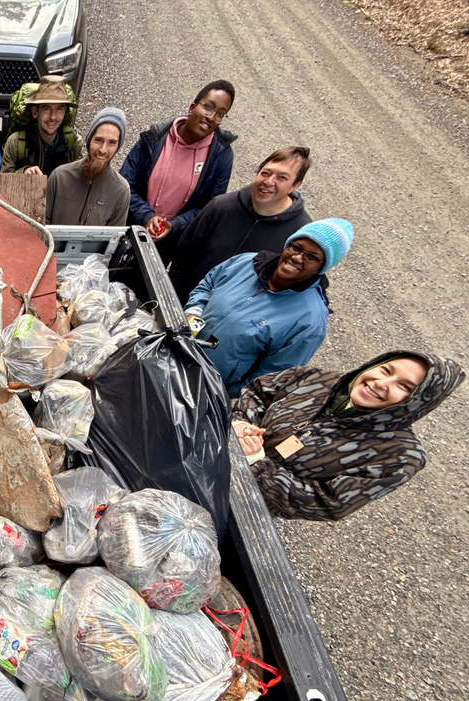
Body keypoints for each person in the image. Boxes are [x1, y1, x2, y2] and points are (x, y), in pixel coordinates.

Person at [231, 351, 464, 521]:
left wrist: (256, 463)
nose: (381, 383)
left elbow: (327, 504)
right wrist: (241, 422)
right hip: (210, 452)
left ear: (417, 403)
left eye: (404, 387)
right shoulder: (319, 379)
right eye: (386, 370)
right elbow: (258, 390)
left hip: (239, 504)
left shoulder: (398, 457)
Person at [186, 218, 353, 396]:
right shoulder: (247, 262)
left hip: (202, 387)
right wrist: (194, 311)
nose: (297, 258)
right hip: (173, 348)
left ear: (322, 268)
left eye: (311, 257)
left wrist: (222, 391)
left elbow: (271, 378)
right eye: (296, 247)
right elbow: (209, 283)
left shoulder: (310, 322)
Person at [169, 146, 313, 303]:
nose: (269, 182)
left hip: (233, 321)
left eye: (282, 178)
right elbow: (184, 251)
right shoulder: (221, 206)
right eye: (266, 173)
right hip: (186, 302)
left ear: (295, 185)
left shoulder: (300, 233)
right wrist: (173, 294)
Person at [120, 80, 237, 260]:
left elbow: (209, 207)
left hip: (169, 242)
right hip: (129, 228)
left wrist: (174, 225)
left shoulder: (221, 156)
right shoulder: (155, 138)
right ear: (192, 107)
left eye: (221, 114)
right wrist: (147, 216)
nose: (211, 117)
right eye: (208, 107)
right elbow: (125, 183)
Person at [45, 108, 129, 226]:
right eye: (98, 140)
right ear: (89, 140)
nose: (103, 150)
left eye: (111, 143)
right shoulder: (59, 177)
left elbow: (114, 238)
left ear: (118, 147)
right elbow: (41, 224)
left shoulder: (121, 191)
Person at [0, 75, 80, 175]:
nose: (53, 117)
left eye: (59, 109)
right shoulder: (16, 142)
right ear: (35, 112)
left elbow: (82, 179)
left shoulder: (73, 142)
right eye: (46, 109)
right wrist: (23, 173)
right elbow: (3, 179)